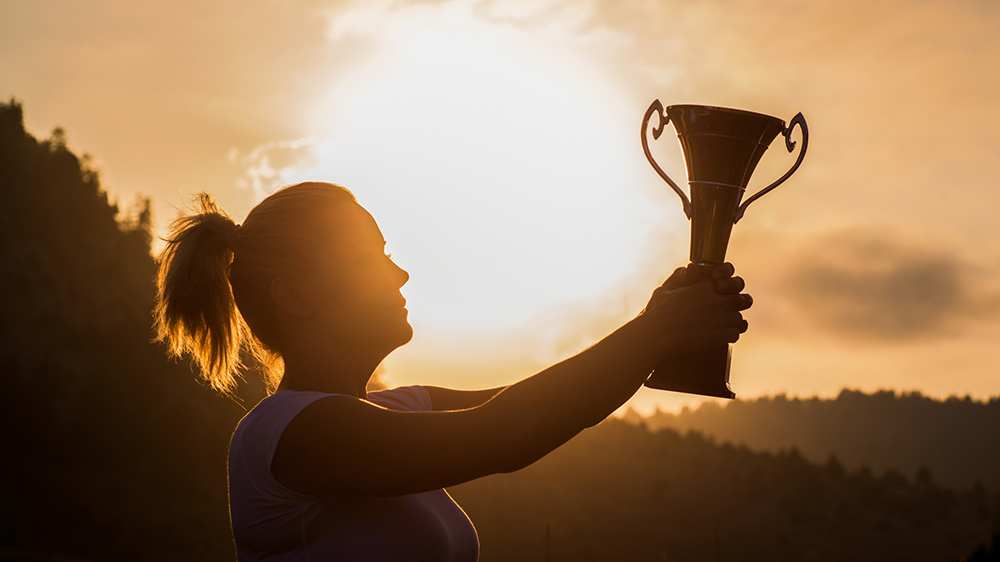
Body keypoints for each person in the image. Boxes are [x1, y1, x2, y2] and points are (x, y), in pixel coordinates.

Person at [154, 181, 751, 562]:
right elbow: (502, 433)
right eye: (369, 260)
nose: (399, 276)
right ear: (296, 295)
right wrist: (655, 333)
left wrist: (661, 326)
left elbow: (550, 404)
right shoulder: (286, 432)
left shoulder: (404, 408)